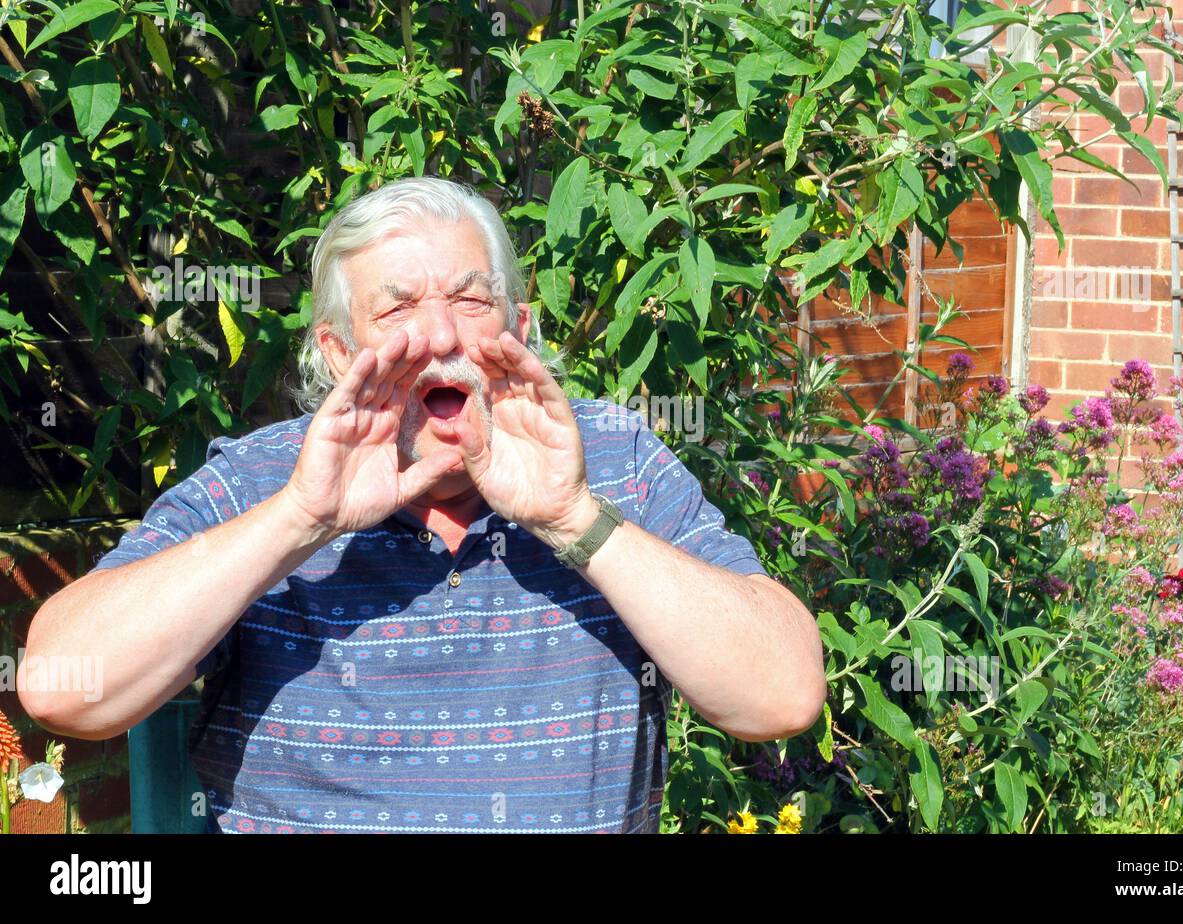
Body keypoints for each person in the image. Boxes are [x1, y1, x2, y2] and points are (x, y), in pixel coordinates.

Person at [21, 177, 826, 833]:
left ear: (518, 324)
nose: (440, 335)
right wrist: (302, 520)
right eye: (398, 309)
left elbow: (782, 696)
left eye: (472, 303)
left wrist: (574, 521)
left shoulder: (613, 462)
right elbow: (62, 685)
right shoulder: (269, 480)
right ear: (338, 351)